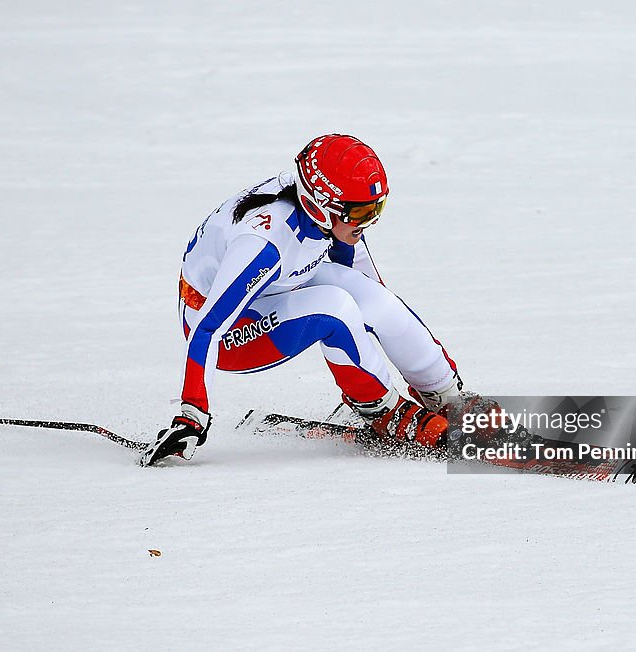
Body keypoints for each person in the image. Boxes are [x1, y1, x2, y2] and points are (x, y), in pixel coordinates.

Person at [141, 134, 463, 466]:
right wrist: (192, 415)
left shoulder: (326, 213)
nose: (370, 221)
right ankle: (383, 412)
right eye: (363, 211)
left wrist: (382, 336)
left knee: (375, 299)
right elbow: (207, 328)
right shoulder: (264, 245)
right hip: (224, 332)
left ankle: (445, 394)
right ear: (321, 207)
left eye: (377, 208)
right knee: (335, 307)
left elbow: (367, 285)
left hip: (274, 289)